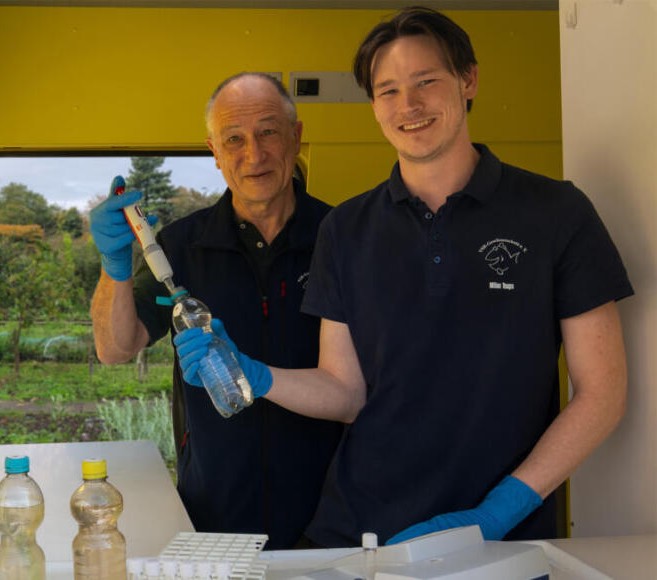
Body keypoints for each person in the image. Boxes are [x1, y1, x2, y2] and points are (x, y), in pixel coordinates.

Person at [175, 7, 632, 548]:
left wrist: (500, 510)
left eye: (426, 82)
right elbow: (345, 392)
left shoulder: (556, 212)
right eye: (388, 90)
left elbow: (603, 392)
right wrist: (255, 375)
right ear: (374, 105)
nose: (408, 106)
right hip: (361, 533)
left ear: (468, 80)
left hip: (506, 542)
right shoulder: (345, 229)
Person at [88, 73, 343, 549]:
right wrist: (114, 267)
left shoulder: (343, 238)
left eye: (268, 131)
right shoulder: (182, 246)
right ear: (215, 151)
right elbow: (115, 348)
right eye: (234, 139)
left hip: (331, 514)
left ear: (297, 136)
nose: (254, 153)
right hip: (213, 513)